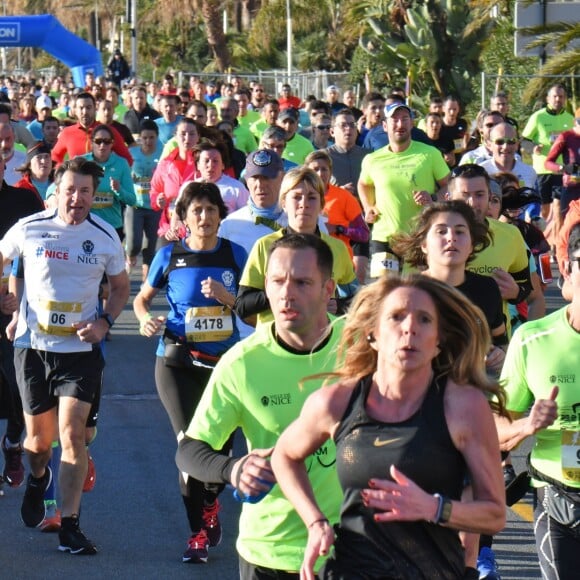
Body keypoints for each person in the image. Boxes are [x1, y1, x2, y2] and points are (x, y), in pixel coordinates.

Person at [271, 274, 507, 580]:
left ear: (439, 341)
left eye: (424, 320)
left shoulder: (463, 407)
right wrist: (315, 522)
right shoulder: (337, 402)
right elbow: (284, 456)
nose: (409, 328)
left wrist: (433, 508)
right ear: (373, 334)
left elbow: (494, 514)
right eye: (396, 317)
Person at [176, 233, 343, 576]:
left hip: (353, 550)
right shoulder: (242, 363)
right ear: (265, 285)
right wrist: (233, 470)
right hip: (270, 552)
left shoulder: (360, 346)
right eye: (278, 281)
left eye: (302, 282)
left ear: (329, 290)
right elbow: (190, 450)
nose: (286, 292)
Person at [0, 157, 130, 554]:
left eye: (86, 191)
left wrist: (105, 321)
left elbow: (121, 285)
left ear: (95, 195)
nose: (77, 198)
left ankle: (71, 524)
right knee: (38, 444)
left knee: (73, 436)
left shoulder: (105, 235)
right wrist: (6, 300)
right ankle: (38, 478)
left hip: (80, 352)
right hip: (33, 349)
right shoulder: (30, 228)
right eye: (70, 190)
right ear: (57, 191)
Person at [133, 181, 246, 563]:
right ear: (184, 216)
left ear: (220, 214)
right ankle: (195, 532)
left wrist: (227, 298)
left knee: (220, 451)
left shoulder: (235, 254)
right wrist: (146, 319)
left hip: (223, 368)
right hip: (176, 360)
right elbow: (141, 299)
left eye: (211, 209)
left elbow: (254, 306)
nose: (204, 216)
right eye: (196, 210)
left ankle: (211, 501)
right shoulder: (169, 255)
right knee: (190, 445)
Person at [495, 221, 580, 580]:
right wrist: (526, 425)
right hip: (558, 500)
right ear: (567, 269)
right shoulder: (532, 339)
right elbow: (494, 429)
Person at [235, 166, 358, 325]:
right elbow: (243, 305)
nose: (304, 204)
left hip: (322, 343)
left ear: (321, 205)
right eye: (297, 197)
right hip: (275, 344)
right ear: (284, 203)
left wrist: (339, 306)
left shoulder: (337, 248)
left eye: (312, 197)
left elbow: (357, 298)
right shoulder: (264, 246)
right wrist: (279, 292)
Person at [392, 201, 507, 368]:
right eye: (441, 231)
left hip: (472, 388)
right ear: (424, 245)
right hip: (418, 388)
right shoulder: (406, 293)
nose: (451, 238)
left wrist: (500, 354)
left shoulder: (487, 288)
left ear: (471, 245)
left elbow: (500, 339)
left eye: (460, 232)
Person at [358, 103, 449, 278]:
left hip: (420, 236)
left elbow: (450, 185)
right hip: (384, 237)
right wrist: (368, 206)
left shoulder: (429, 154)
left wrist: (433, 197)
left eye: (405, 119)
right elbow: (364, 184)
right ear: (385, 126)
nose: (400, 124)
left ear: (412, 124)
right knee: (384, 290)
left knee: (416, 291)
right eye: (395, 120)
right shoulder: (372, 159)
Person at [0, 155, 45, 491]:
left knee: (19, 389)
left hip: (11, 310)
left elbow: (40, 250)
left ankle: (13, 443)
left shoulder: (24, 200)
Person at [447, 164, 532, 337]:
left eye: (479, 195)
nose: (472, 203)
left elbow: (526, 287)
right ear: (448, 198)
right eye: (464, 195)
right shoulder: (431, 237)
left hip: (494, 343)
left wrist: (515, 292)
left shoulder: (510, 235)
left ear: (489, 197)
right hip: (443, 341)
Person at [325, 109, 369, 283]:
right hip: (334, 224)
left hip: (360, 223)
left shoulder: (368, 157)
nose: (348, 129)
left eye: (352, 125)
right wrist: (339, 191)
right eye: (343, 125)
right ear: (332, 131)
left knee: (359, 276)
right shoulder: (324, 158)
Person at [522, 83, 575, 223]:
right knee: (543, 210)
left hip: (561, 170)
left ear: (565, 99)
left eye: (561, 97)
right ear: (548, 99)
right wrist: (533, 147)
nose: (558, 99)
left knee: (559, 207)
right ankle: (537, 236)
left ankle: (557, 243)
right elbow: (524, 140)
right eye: (555, 96)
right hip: (542, 170)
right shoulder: (538, 117)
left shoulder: (570, 119)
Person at [305, 150, 369, 261]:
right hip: (308, 260)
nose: (320, 173)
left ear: (330, 172)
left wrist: (338, 228)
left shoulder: (344, 196)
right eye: (315, 169)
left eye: (324, 169)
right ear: (307, 172)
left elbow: (363, 234)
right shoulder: (299, 196)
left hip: (339, 261)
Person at [125, 119, 163, 281]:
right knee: (134, 243)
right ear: (140, 138)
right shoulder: (132, 154)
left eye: (151, 138)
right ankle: (130, 256)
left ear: (157, 137)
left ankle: (145, 282)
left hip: (155, 206)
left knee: (151, 246)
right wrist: (129, 178)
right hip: (136, 204)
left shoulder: (163, 153)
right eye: (144, 138)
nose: (148, 141)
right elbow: (123, 172)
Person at [150, 117, 200, 240]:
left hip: (196, 230)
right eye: (183, 134)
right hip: (169, 230)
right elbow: (154, 191)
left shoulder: (203, 164)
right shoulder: (166, 164)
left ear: (198, 137)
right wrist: (158, 200)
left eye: (192, 134)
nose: (187, 138)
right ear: (175, 136)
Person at [82, 124, 136, 238]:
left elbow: (132, 200)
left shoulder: (121, 164)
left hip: (112, 227)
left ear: (112, 144)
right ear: (92, 142)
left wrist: (119, 190)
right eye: (98, 141)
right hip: (85, 225)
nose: (102, 145)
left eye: (107, 141)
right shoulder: (82, 162)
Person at [51, 92, 132, 167]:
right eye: (81, 108)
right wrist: (62, 172)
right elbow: (55, 156)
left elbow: (127, 159)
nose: (85, 111)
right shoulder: (67, 133)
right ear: (75, 110)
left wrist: (112, 173)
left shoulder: (108, 131)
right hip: (76, 180)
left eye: (88, 108)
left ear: (95, 109)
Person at [544, 106, 580, 220]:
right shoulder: (566, 137)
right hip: (571, 189)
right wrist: (564, 168)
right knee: (570, 229)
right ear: (575, 122)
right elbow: (548, 162)